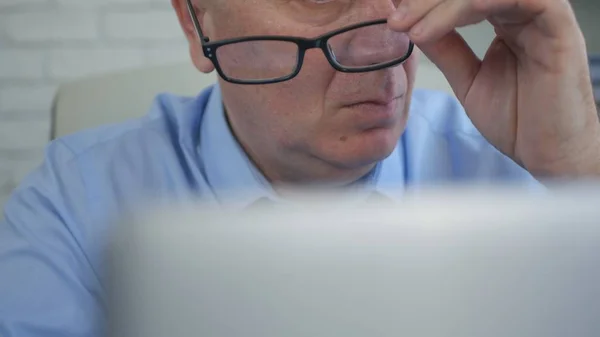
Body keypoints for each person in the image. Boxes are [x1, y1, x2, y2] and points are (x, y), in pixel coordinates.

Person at [0, 0, 598, 335]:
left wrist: (579, 167)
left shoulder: (519, 163)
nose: (384, 47)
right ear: (197, 19)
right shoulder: (73, 205)